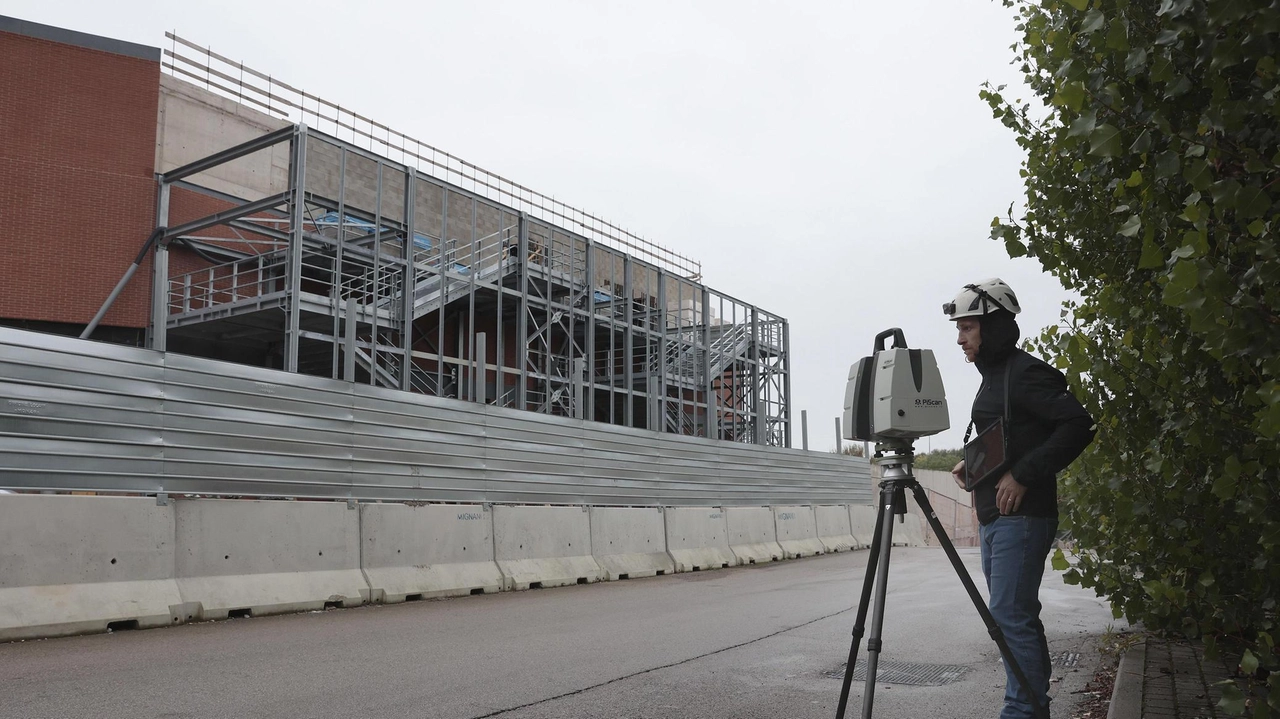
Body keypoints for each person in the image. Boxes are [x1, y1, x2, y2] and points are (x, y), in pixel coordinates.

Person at [944, 278, 1095, 719]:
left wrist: (1024, 475)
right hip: (997, 517)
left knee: (1011, 617)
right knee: (1013, 617)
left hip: (1022, 517)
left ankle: (1022, 712)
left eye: (968, 328)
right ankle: (1031, 708)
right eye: (959, 329)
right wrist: (972, 466)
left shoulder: (1025, 372)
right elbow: (1014, 436)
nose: (960, 338)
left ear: (992, 328)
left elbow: (1076, 425)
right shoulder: (996, 377)